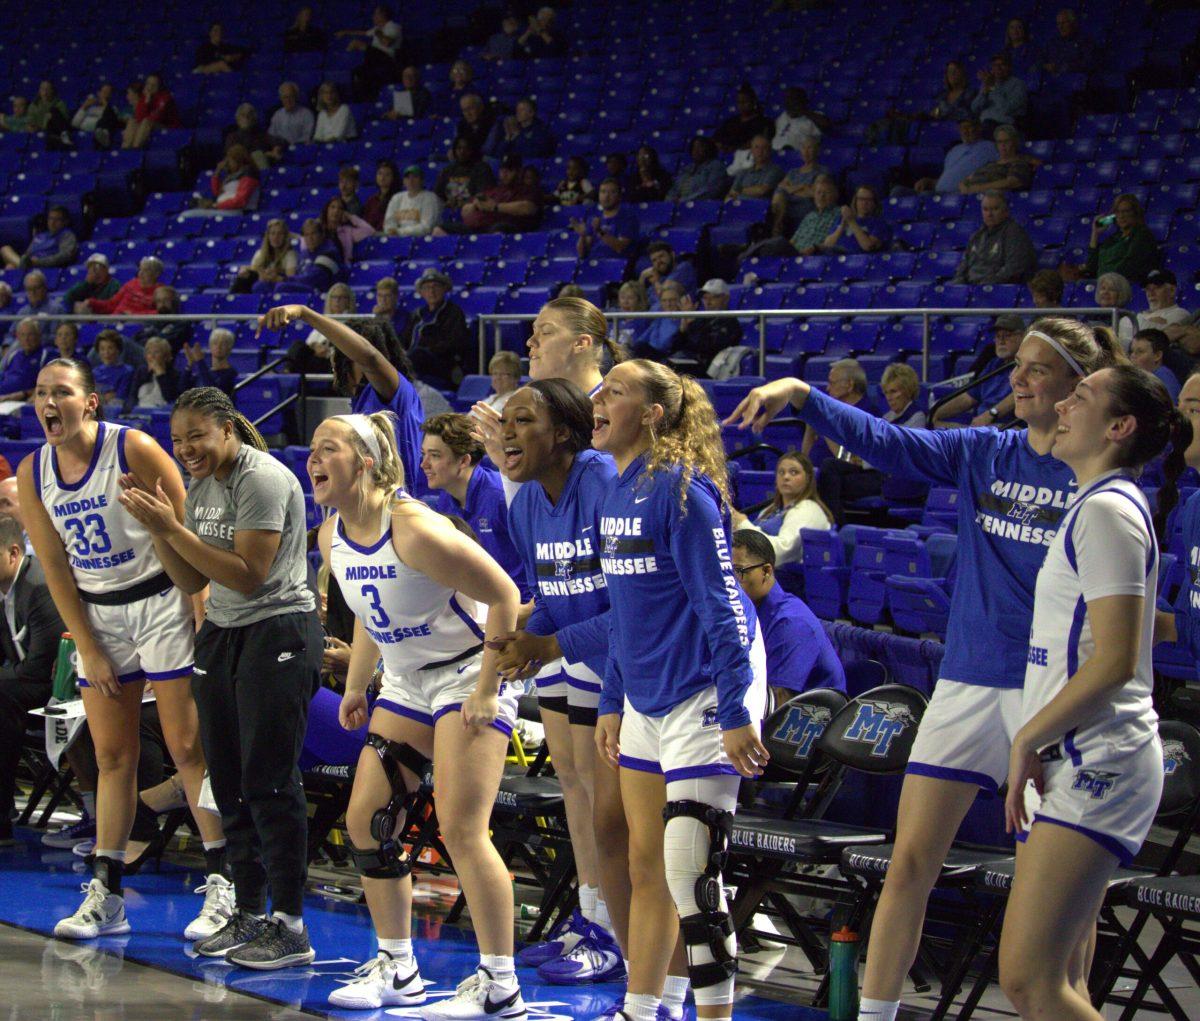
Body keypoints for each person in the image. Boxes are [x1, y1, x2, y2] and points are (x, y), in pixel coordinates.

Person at [723, 317, 1123, 1021]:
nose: (1018, 380)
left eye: (1035, 369)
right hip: (968, 680)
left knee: (1061, 888)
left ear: (1075, 386)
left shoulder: (1099, 476)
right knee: (909, 859)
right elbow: (891, 442)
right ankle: (873, 1015)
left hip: (1053, 691)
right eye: (1018, 366)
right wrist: (804, 395)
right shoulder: (984, 450)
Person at [303, 408, 524, 1015]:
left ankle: (502, 986)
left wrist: (485, 688)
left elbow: (504, 594)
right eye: (313, 450)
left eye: (328, 449)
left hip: (466, 669)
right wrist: (356, 684)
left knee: (460, 828)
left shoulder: (417, 529)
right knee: (367, 818)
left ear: (366, 462)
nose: (313, 459)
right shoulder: (330, 536)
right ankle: (398, 970)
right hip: (404, 678)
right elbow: (373, 614)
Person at [20, 360, 229, 942]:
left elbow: (187, 525)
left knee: (188, 747)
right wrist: (86, 644)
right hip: (97, 613)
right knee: (113, 756)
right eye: (40, 394)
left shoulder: (131, 448)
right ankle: (107, 891)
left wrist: (200, 596)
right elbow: (54, 563)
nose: (48, 402)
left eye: (61, 392)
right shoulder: (33, 469)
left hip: (161, 598)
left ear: (89, 403)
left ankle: (222, 883)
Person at [1000, 363, 1180, 1021]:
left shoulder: (1107, 510)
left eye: (1082, 395)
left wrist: (1027, 735)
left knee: (1027, 978)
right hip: (1077, 754)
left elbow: (1114, 661)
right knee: (1064, 975)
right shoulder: (1099, 503)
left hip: (1097, 757)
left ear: (1119, 425)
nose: (1063, 403)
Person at [118, 386, 321, 968]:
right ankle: (250, 912)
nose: (185, 450)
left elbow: (250, 574)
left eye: (196, 437)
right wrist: (158, 528)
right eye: (177, 440)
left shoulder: (260, 478)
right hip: (224, 633)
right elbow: (190, 580)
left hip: (277, 630)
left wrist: (173, 528)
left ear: (228, 429)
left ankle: (290, 924)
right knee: (225, 781)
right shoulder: (203, 487)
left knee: (269, 780)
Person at [592, 358, 768, 1021]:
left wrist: (734, 706)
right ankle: (646, 1006)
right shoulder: (616, 489)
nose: (598, 400)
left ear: (655, 413)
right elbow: (623, 612)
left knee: (692, 871)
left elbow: (723, 608)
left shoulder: (685, 493)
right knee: (646, 865)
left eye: (615, 391)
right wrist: (613, 699)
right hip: (643, 697)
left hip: (703, 692)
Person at [259, 306, 426, 497]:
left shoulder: (397, 392)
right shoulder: (360, 400)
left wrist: (304, 313)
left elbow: (368, 356)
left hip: (393, 511)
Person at [0, 513, 63, 845]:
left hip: (53, 690)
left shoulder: (39, 585)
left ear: (13, 553)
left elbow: (40, 666)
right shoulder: (3, 588)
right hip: (17, 688)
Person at [420, 413, 528, 599]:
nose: (424, 464)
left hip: (520, 606)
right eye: (424, 454)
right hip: (483, 603)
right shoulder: (446, 499)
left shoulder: (502, 497)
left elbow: (532, 569)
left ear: (464, 461)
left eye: (435, 456)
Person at [730, 529, 845, 701]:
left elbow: (780, 701)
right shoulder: (750, 610)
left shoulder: (790, 623)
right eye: (725, 572)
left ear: (766, 571)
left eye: (738, 571)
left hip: (813, 721)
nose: (730, 583)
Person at [732, 450, 832, 565]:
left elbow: (780, 553)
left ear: (808, 478)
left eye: (794, 472)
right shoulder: (770, 510)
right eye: (781, 472)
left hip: (789, 579)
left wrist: (742, 523)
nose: (786, 477)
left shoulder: (808, 509)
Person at [931, 314, 1023, 427]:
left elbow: (1020, 394)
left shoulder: (1025, 366)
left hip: (1009, 426)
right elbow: (969, 398)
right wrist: (936, 413)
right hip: (983, 425)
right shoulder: (993, 364)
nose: (1001, 341)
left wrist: (991, 414)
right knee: (938, 426)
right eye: (998, 336)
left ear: (1022, 337)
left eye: (1007, 336)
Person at [739, 174, 841, 263]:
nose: (821, 196)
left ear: (836, 194)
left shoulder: (840, 214)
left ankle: (744, 255)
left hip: (812, 255)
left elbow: (832, 242)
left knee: (778, 242)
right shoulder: (810, 216)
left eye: (826, 192)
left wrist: (814, 248)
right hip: (794, 254)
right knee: (771, 247)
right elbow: (793, 241)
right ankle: (745, 256)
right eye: (818, 193)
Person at [438, 154, 541, 235]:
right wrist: (475, 204)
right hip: (476, 229)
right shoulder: (493, 190)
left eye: (509, 170)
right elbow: (465, 212)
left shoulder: (526, 189)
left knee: (498, 230)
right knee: (440, 229)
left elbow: (527, 208)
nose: (504, 174)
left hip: (503, 228)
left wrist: (495, 207)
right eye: (502, 170)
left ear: (518, 172)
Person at [401, 269, 471, 386]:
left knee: (417, 354)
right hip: (414, 359)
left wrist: (426, 350)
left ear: (444, 289)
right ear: (422, 292)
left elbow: (453, 343)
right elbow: (404, 339)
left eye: (436, 287)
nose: (432, 291)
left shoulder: (453, 312)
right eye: (427, 288)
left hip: (443, 364)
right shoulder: (417, 314)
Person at [952, 191, 1038, 285]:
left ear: (1006, 211)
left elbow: (1014, 268)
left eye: (995, 209)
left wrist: (985, 285)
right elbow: (963, 266)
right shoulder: (977, 235)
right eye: (985, 209)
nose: (989, 214)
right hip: (972, 288)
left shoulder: (1014, 234)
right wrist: (958, 285)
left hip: (996, 288)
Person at [1074, 194, 1161, 285]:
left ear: (1135, 213)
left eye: (1126, 211)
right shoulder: (1114, 238)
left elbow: (1127, 267)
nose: (1121, 216)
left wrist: (1104, 274)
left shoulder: (1142, 235)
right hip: (1105, 283)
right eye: (1117, 212)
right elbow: (1091, 266)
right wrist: (1095, 233)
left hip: (1124, 284)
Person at [672, 279, 743, 375]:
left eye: (713, 297)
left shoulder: (730, 323)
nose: (708, 302)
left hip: (712, 369)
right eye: (705, 298)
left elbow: (708, 348)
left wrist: (693, 325)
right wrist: (683, 327)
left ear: (725, 298)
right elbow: (675, 347)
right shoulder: (701, 319)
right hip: (690, 362)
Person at [914, 118, 996, 195]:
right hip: (939, 194)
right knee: (901, 191)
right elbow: (948, 179)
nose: (965, 131)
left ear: (979, 128)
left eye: (968, 127)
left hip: (963, 196)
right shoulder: (954, 150)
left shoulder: (990, 147)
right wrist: (930, 182)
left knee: (924, 196)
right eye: (962, 128)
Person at [768, 136, 829, 236]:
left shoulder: (822, 171)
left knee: (781, 197)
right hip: (788, 205)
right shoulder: (793, 172)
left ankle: (777, 227)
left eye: (810, 148)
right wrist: (803, 187)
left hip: (807, 206)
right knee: (779, 193)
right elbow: (781, 186)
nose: (806, 151)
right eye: (803, 148)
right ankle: (777, 225)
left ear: (817, 151)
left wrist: (791, 189)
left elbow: (815, 193)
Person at [180, 144, 260, 216]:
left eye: (230, 161)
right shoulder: (231, 176)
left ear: (238, 160)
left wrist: (215, 205)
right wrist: (217, 173)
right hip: (222, 208)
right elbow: (217, 193)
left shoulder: (248, 173)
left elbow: (240, 201)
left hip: (235, 210)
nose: (227, 164)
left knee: (187, 215)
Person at [342, 4, 402, 100]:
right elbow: (364, 33)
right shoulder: (376, 28)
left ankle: (343, 63)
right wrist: (346, 32)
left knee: (357, 44)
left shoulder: (393, 26)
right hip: (374, 57)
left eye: (375, 14)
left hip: (387, 58)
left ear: (383, 15)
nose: (373, 17)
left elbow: (387, 42)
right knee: (358, 72)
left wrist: (378, 33)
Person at [573, 179, 639, 260]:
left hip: (617, 265)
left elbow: (620, 248)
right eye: (603, 192)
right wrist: (582, 235)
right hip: (593, 263)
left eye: (612, 192)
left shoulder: (628, 217)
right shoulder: (593, 216)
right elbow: (582, 253)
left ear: (619, 196)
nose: (606, 196)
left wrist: (600, 231)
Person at [817, 185, 891, 254]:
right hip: (836, 258)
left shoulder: (879, 223)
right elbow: (827, 244)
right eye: (861, 199)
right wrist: (842, 226)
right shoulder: (842, 218)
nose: (864, 203)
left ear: (874, 203)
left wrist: (851, 222)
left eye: (869, 200)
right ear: (855, 201)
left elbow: (869, 247)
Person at [276, 218, 344, 295]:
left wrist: (285, 279)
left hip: (321, 291)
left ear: (321, 234)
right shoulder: (305, 253)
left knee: (282, 287)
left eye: (313, 233)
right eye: (307, 235)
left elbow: (314, 278)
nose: (310, 238)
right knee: (264, 285)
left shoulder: (329, 252)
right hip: (303, 286)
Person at [0, 206, 78, 270]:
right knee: (5, 250)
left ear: (66, 221)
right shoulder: (41, 236)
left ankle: (21, 267)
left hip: (46, 268)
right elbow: (27, 255)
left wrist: (38, 262)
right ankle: (20, 267)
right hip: (30, 265)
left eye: (57, 219)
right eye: (50, 218)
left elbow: (65, 256)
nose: (52, 222)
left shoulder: (67, 235)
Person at [0, 319, 52, 413]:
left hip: (20, 403)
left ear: (38, 336)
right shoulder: (13, 355)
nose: (26, 339)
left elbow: (48, 386)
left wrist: (19, 395)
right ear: (18, 337)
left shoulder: (46, 356)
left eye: (30, 334)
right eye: (22, 335)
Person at [231, 219, 296, 294]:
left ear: (285, 237)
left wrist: (273, 277)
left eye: (280, 234)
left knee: (259, 286)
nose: (276, 237)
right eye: (272, 233)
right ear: (268, 236)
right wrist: (245, 270)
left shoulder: (290, 254)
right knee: (243, 278)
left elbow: (290, 278)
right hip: (261, 280)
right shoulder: (260, 253)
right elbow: (254, 270)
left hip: (277, 283)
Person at [435, 137, 496, 215]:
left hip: (473, 212)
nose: (462, 152)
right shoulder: (448, 170)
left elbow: (483, 195)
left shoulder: (482, 169)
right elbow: (437, 195)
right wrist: (446, 203)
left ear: (472, 150)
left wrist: (462, 202)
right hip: (449, 211)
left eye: (466, 148)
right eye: (459, 148)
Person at [85, 257, 163, 317]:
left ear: (156, 274)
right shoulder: (131, 284)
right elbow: (111, 304)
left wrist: (134, 315)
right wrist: (91, 302)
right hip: (116, 319)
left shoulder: (160, 290)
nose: (141, 273)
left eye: (146, 270)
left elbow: (161, 312)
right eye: (140, 270)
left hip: (137, 324)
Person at [970, 53, 1027, 133]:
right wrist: (984, 93)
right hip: (985, 124)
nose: (998, 68)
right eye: (995, 65)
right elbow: (974, 108)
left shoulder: (1018, 84)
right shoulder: (989, 82)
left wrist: (993, 87)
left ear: (1009, 67)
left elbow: (1006, 109)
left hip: (1006, 125)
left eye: (1002, 65)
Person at [123, 337, 182, 413]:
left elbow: (169, 398)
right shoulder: (141, 371)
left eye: (156, 352)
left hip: (161, 413)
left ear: (165, 356)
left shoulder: (174, 374)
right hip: (140, 411)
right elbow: (132, 396)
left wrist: (160, 374)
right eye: (149, 353)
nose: (152, 356)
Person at [121, 73, 179, 149]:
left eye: (154, 85)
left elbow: (157, 117)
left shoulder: (165, 97)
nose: (150, 87)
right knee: (132, 121)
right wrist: (146, 101)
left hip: (168, 126)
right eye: (148, 84)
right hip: (150, 123)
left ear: (159, 86)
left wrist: (147, 104)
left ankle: (135, 150)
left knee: (146, 121)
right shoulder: (144, 97)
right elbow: (138, 117)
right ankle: (125, 150)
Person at [384, 165, 442, 237]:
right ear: (404, 181)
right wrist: (391, 231)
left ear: (422, 180)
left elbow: (427, 227)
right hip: (397, 238)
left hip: (423, 240)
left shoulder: (430, 198)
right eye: (407, 177)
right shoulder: (397, 198)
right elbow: (389, 221)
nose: (411, 180)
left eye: (415, 177)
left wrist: (399, 232)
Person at [666, 137, 728, 203]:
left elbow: (711, 190)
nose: (696, 150)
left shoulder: (716, 166)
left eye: (700, 147)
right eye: (694, 147)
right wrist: (669, 201)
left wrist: (683, 201)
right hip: (679, 205)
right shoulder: (687, 168)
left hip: (701, 207)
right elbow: (674, 189)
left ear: (709, 149)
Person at [222, 104, 285, 169]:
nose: (246, 117)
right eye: (243, 115)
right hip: (242, 169)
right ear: (238, 119)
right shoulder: (232, 137)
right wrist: (265, 154)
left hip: (262, 168)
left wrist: (276, 147)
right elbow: (235, 157)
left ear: (254, 118)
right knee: (258, 155)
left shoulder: (261, 134)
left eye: (249, 114)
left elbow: (278, 141)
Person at [639, 243, 698, 310]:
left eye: (661, 256)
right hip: (653, 318)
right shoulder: (660, 277)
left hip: (675, 317)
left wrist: (656, 281)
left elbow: (665, 292)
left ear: (672, 255)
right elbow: (639, 301)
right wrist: (642, 278)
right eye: (654, 260)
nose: (658, 261)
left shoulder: (684, 268)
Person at [1129, 328, 1181, 402]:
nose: (1133, 356)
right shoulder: (1139, 378)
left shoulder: (1165, 382)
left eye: (1140, 352)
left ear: (1157, 356)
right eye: (1132, 351)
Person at [183, 328, 238, 396]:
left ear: (230, 347)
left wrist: (200, 361)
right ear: (210, 346)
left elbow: (213, 394)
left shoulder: (231, 374)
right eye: (215, 343)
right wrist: (190, 364)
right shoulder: (205, 371)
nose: (219, 346)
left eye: (223, 343)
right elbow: (182, 390)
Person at [1041, 7, 1096, 75]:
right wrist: (1045, 66)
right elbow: (1042, 60)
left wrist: (1061, 67)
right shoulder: (1053, 42)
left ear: (1073, 23)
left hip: (1075, 81)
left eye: (1064, 23)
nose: (1060, 27)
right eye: (1058, 24)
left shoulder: (1085, 41)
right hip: (1052, 81)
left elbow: (1089, 64)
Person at [726, 136, 783, 201]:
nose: (760, 151)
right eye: (756, 147)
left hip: (759, 208)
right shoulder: (743, 172)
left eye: (764, 148)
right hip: (739, 207)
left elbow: (761, 191)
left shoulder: (775, 171)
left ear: (769, 151)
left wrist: (739, 190)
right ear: (751, 151)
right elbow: (731, 193)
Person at [323, 196, 375, 263]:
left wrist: (350, 217)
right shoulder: (319, 229)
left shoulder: (348, 231)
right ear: (326, 210)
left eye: (340, 208)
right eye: (332, 207)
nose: (336, 211)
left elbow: (370, 231)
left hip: (343, 268)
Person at [772, 87, 822, 152]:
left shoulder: (813, 117)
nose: (790, 103)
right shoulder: (783, 116)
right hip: (774, 154)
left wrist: (804, 111)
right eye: (788, 100)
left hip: (798, 157)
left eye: (794, 99)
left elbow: (827, 127)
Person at [91, 331, 135, 405]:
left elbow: (119, 398)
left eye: (110, 348)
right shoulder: (94, 372)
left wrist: (100, 396)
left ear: (118, 350)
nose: (106, 353)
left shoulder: (127, 371)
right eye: (102, 349)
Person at [362, 160, 400, 231]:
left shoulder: (398, 199)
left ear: (393, 177)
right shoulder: (371, 200)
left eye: (387, 174)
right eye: (380, 173)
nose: (382, 177)